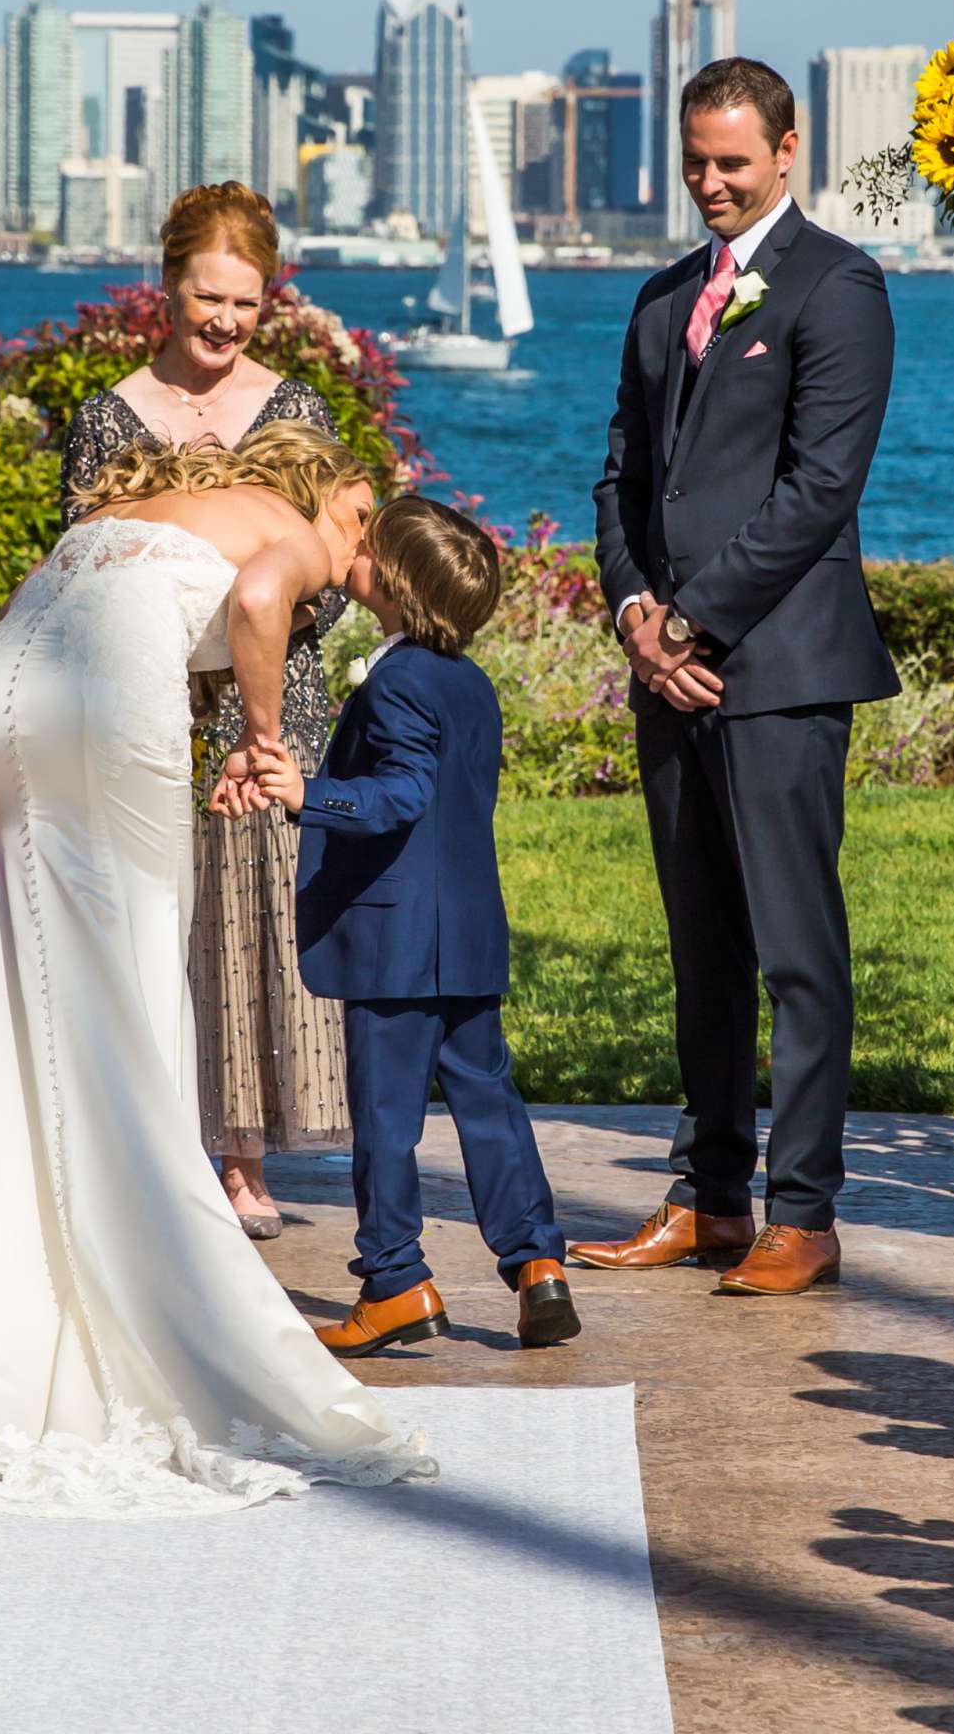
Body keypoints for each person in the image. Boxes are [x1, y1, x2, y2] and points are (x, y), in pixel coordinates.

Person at [0, 419, 432, 1518]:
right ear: (319, 488)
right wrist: (264, 741)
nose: (358, 556)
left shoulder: (150, 513)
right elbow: (260, 602)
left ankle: (53, 1329)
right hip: (101, 699)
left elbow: (87, 601)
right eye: (361, 519)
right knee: (137, 1009)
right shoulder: (291, 527)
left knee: (47, 1011)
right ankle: (168, 1325)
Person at [577, 55, 898, 1298]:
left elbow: (820, 492)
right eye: (695, 161)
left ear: (786, 150)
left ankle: (802, 1214)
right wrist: (634, 616)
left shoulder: (840, 286)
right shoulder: (662, 299)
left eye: (732, 162)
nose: (709, 183)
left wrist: (695, 622)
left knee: (793, 951)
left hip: (777, 673)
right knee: (698, 947)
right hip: (673, 675)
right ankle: (708, 1196)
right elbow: (618, 476)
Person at [62, 182, 351, 1239]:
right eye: (206, 299)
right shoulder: (107, 416)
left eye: (246, 301)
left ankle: (243, 1162)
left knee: (254, 937)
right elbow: (83, 565)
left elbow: (326, 562)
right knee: (159, 930)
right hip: (148, 709)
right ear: (166, 286)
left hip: (274, 706)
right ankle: (155, 1153)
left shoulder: (297, 410)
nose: (225, 322)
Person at [238, 495, 579, 1356]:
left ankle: (395, 1281)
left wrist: (308, 792)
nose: (353, 551)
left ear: (388, 582)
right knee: (488, 1102)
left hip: (395, 945)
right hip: (467, 936)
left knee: (387, 1119)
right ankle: (538, 1265)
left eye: (367, 548)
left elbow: (404, 796)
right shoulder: (469, 683)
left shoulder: (395, 682)